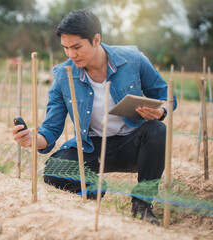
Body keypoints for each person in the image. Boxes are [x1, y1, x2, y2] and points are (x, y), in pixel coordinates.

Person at [12, 8, 177, 225]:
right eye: (66, 48)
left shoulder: (133, 60)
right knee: (53, 171)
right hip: (92, 148)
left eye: (77, 47)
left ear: (96, 39)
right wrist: (31, 139)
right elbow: (50, 130)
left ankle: (142, 204)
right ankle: (93, 192)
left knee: (157, 130)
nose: (71, 55)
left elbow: (166, 95)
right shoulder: (63, 76)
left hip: (133, 145)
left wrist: (161, 111)